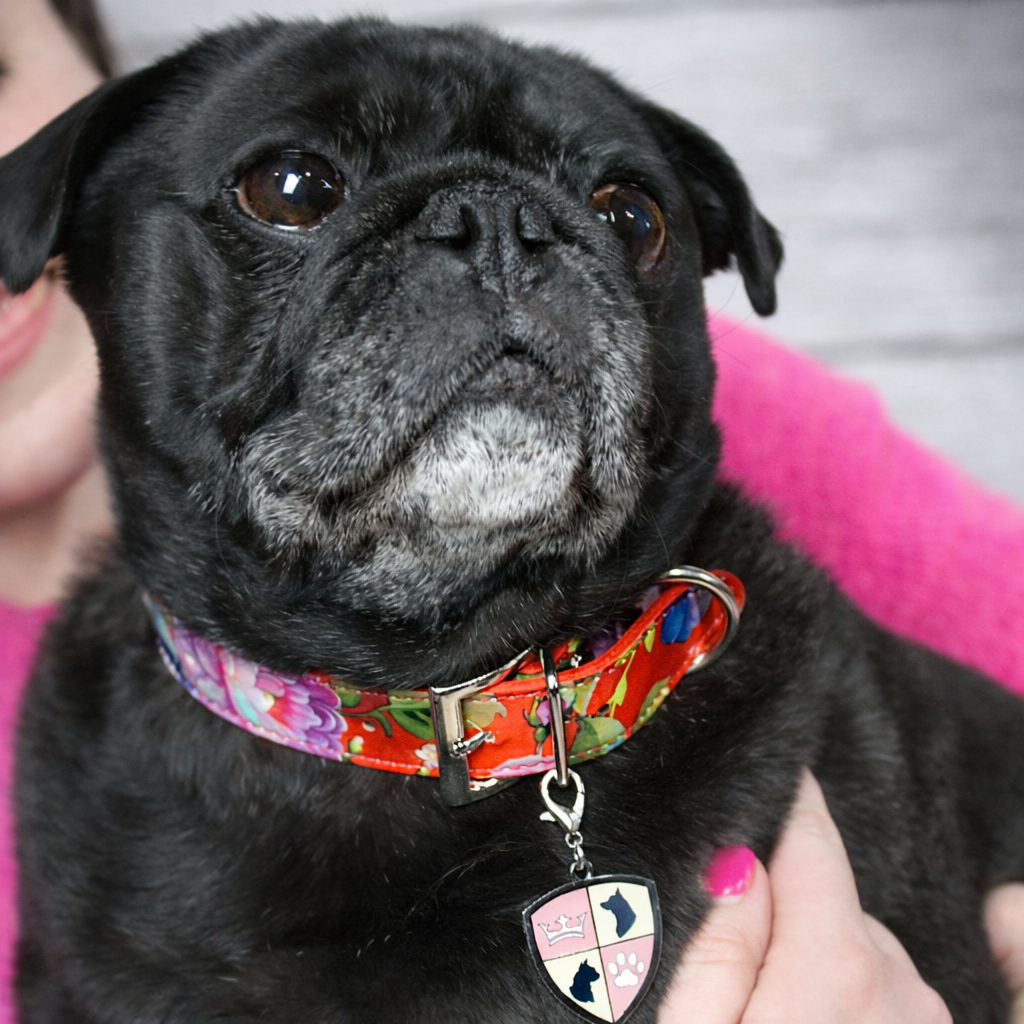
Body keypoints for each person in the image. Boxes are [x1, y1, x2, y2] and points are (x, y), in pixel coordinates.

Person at [1, 2, 1023, 1021]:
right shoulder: (82, 771)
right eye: (297, 193)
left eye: (624, 223)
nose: (496, 254)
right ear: (80, 215)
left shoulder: (809, 734)